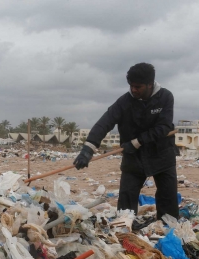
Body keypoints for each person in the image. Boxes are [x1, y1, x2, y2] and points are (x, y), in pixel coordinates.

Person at [73, 63, 178, 219]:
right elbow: (104, 123)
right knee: (126, 201)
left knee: (167, 198)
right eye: (131, 86)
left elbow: (163, 127)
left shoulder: (165, 97)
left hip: (162, 155)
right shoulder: (125, 101)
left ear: (150, 84)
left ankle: (168, 230)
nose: (133, 90)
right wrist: (88, 149)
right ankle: (125, 231)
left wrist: (136, 142)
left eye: (138, 87)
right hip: (133, 158)